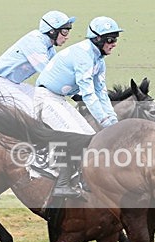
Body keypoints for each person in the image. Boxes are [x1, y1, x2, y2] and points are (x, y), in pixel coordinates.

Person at [34, 16, 123, 198]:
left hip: (59, 99)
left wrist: (113, 121)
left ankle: (82, 179)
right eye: (111, 39)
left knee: (90, 137)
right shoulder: (84, 57)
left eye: (116, 39)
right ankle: (62, 184)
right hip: (46, 98)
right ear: (98, 39)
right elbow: (89, 95)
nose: (114, 44)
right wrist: (106, 123)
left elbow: (102, 94)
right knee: (77, 137)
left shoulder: (99, 61)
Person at [0, 10, 75, 115]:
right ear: (52, 31)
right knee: (35, 113)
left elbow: (58, 71)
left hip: (17, 85)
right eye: (65, 32)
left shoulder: (49, 49)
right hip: (3, 85)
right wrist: (72, 91)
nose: (67, 37)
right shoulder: (34, 40)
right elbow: (48, 73)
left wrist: (75, 93)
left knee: (47, 104)